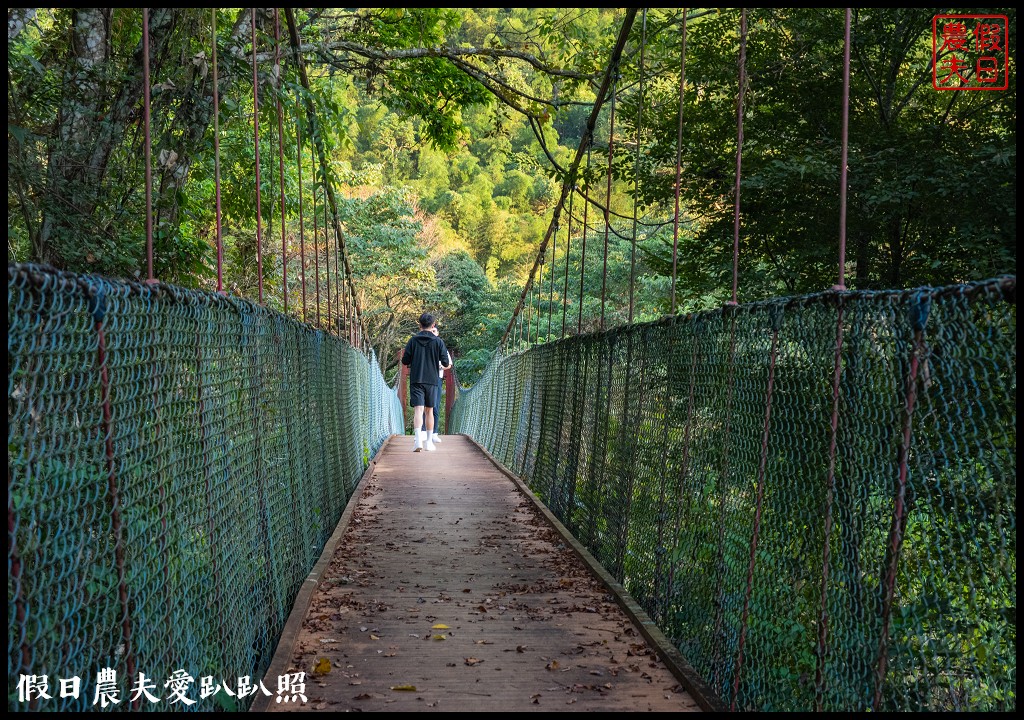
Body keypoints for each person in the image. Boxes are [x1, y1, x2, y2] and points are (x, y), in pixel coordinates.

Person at [401, 313, 451, 452]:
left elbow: (405, 361)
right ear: (433, 325)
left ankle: (418, 441)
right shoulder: (438, 341)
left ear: (419, 325)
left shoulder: (412, 341)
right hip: (432, 380)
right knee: (429, 411)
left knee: (418, 410)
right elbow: (446, 362)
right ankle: (429, 442)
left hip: (417, 379)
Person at [419, 325, 450, 445]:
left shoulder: (440, 345)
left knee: (434, 406)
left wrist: (442, 366)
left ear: (437, 333)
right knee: (421, 406)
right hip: (424, 377)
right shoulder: (422, 344)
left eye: (434, 331)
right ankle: (422, 433)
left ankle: (434, 434)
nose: (432, 332)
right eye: (431, 330)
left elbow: (448, 364)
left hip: (437, 377)